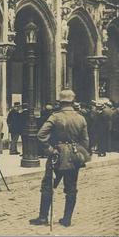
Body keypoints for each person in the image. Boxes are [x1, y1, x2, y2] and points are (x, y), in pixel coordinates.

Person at [29, 89, 89, 227]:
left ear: (60, 102)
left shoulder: (55, 117)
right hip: (74, 156)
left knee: (48, 186)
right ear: (72, 101)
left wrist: (50, 150)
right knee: (71, 188)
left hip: (57, 155)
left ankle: (43, 217)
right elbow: (85, 141)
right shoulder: (81, 118)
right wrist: (80, 156)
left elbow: (40, 135)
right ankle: (67, 219)